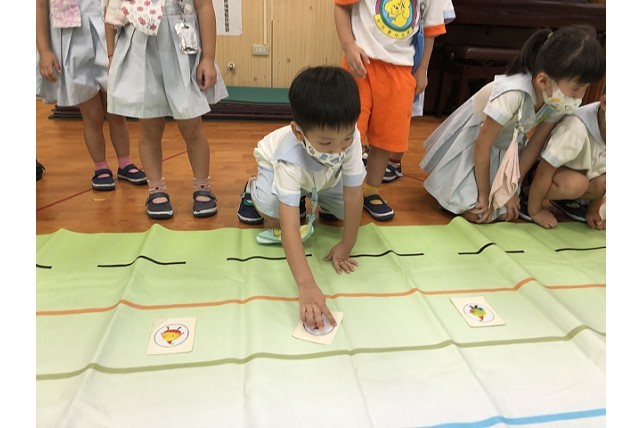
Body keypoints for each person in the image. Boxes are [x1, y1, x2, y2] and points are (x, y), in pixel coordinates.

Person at [419, 24, 605, 224]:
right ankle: (453, 191)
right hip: (474, 144)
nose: (579, 97)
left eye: (585, 88)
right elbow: (482, 145)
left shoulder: (557, 101)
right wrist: (484, 194)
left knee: (505, 212)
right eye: (576, 88)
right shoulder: (513, 94)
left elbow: (534, 146)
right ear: (543, 81)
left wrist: (511, 189)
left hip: (504, 148)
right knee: (480, 212)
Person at [237, 66, 365, 330]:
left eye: (346, 138)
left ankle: (310, 195)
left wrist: (347, 243)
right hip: (278, 168)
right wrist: (306, 285)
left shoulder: (350, 138)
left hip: (321, 177)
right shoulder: (288, 158)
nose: (338, 150)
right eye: (326, 143)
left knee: (345, 211)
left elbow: (354, 193)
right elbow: (289, 228)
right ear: (298, 133)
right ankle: (253, 188)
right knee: (274, 211)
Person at [105, 0, 228, 219]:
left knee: (192, 125)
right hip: (141, 50)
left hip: (182, 46)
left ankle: (203, 186)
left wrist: (208, 58)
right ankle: (156, 189)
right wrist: (111, 55)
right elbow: (112, 9)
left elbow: (204, 7)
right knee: (149, 127)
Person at [334, 0, 453, 220]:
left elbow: (431, 30)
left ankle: (371, 191)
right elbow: (341, 6)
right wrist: (348, 45)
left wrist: (423, 70)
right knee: (348, 133)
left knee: (385, 138)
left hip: (400, 69)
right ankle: (338, 192)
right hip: (361, 64)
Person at [36, 0, 146, 191]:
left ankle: (125, 163)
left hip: (107, 32)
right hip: (71, 37)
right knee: (92, 114)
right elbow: (40, 7)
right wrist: (44, 50)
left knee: (115, 109)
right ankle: (100, 167)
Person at [522, 95, 606, 230]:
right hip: (539, 174)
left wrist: (593, 209)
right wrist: (535, 210)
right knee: (577, 184)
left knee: (604, 183)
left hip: (576, 175)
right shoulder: (575, 128)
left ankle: (563, 200)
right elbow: (544, 170)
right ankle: (527, 194)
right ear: (605, 103)